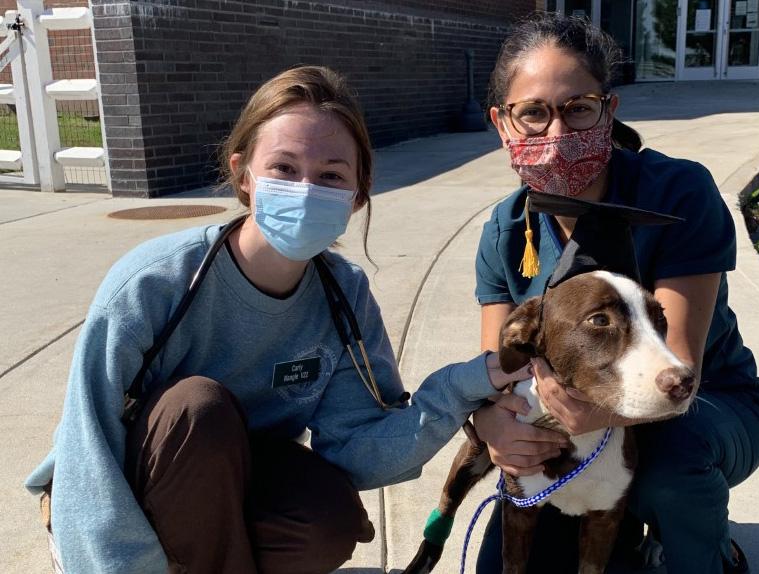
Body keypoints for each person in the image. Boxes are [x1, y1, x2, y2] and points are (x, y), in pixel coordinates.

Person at [25, 66, 527, 574]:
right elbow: (89, 444)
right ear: (243, 174)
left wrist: (466, 384)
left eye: (331, 175)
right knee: (197, 408)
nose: (307, 188)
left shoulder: (344, 293)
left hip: (236, 483)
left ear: (358, 194)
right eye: (284, 168)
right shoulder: (153, 283)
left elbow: (357, 451)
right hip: (130, 487)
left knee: (326, 515)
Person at [470, 13, 759, 574]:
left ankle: (702, 551)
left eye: (578, 107)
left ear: (608, 110)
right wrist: (492, 428)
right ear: (502, 122)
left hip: (702, 410)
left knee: (670, 470)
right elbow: (498, 376)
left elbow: (679, 370)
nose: (557, 132)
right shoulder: (505, 230)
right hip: (567, 430)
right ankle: (628, 530)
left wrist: (581, 415)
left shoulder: (678, 190)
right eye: (533, 112)